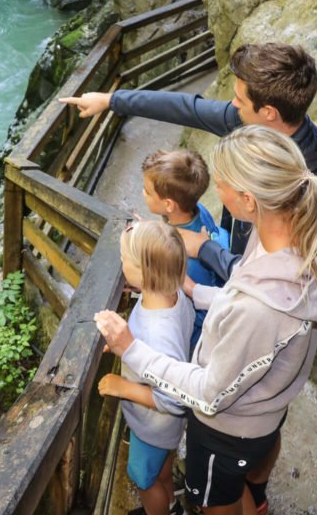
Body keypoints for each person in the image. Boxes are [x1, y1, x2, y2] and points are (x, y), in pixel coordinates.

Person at [95, 126, 317, 515]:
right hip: (265, 413)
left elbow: (208, 393)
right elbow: (244, 290)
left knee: (213, 501)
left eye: (221, 183)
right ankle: (256, 500)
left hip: (228, 429)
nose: (216, 191)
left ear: (247, 199)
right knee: (241, 478)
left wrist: (132, 350)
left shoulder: (261, 309)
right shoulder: (289, 238)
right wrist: (197, 292)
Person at [59, 42, 317, 281]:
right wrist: (112, 100)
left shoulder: (306, 179)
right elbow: (187, 108)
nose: (233, 105)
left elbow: (273, 275)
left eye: (240, 99)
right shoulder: (253, 123)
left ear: (269, 112)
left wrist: (206, 249)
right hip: (231, 244)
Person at [97, 220, 194, 515]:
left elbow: (174, 399)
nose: (121, 263)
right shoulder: (171, 295)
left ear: (144, 273)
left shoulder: (158, 331)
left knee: (142, 478)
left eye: (125, 260)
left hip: (154, 425)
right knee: (161, 468)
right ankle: (172, 504)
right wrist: (123, 345)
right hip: (167, 431)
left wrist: (122, 386)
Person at [140, 149, 224, 349]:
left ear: (169, 205)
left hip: (195, 335)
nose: (142, 193)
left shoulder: (180, 260)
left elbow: (186, 307)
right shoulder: (198, 210)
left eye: (147, 191)